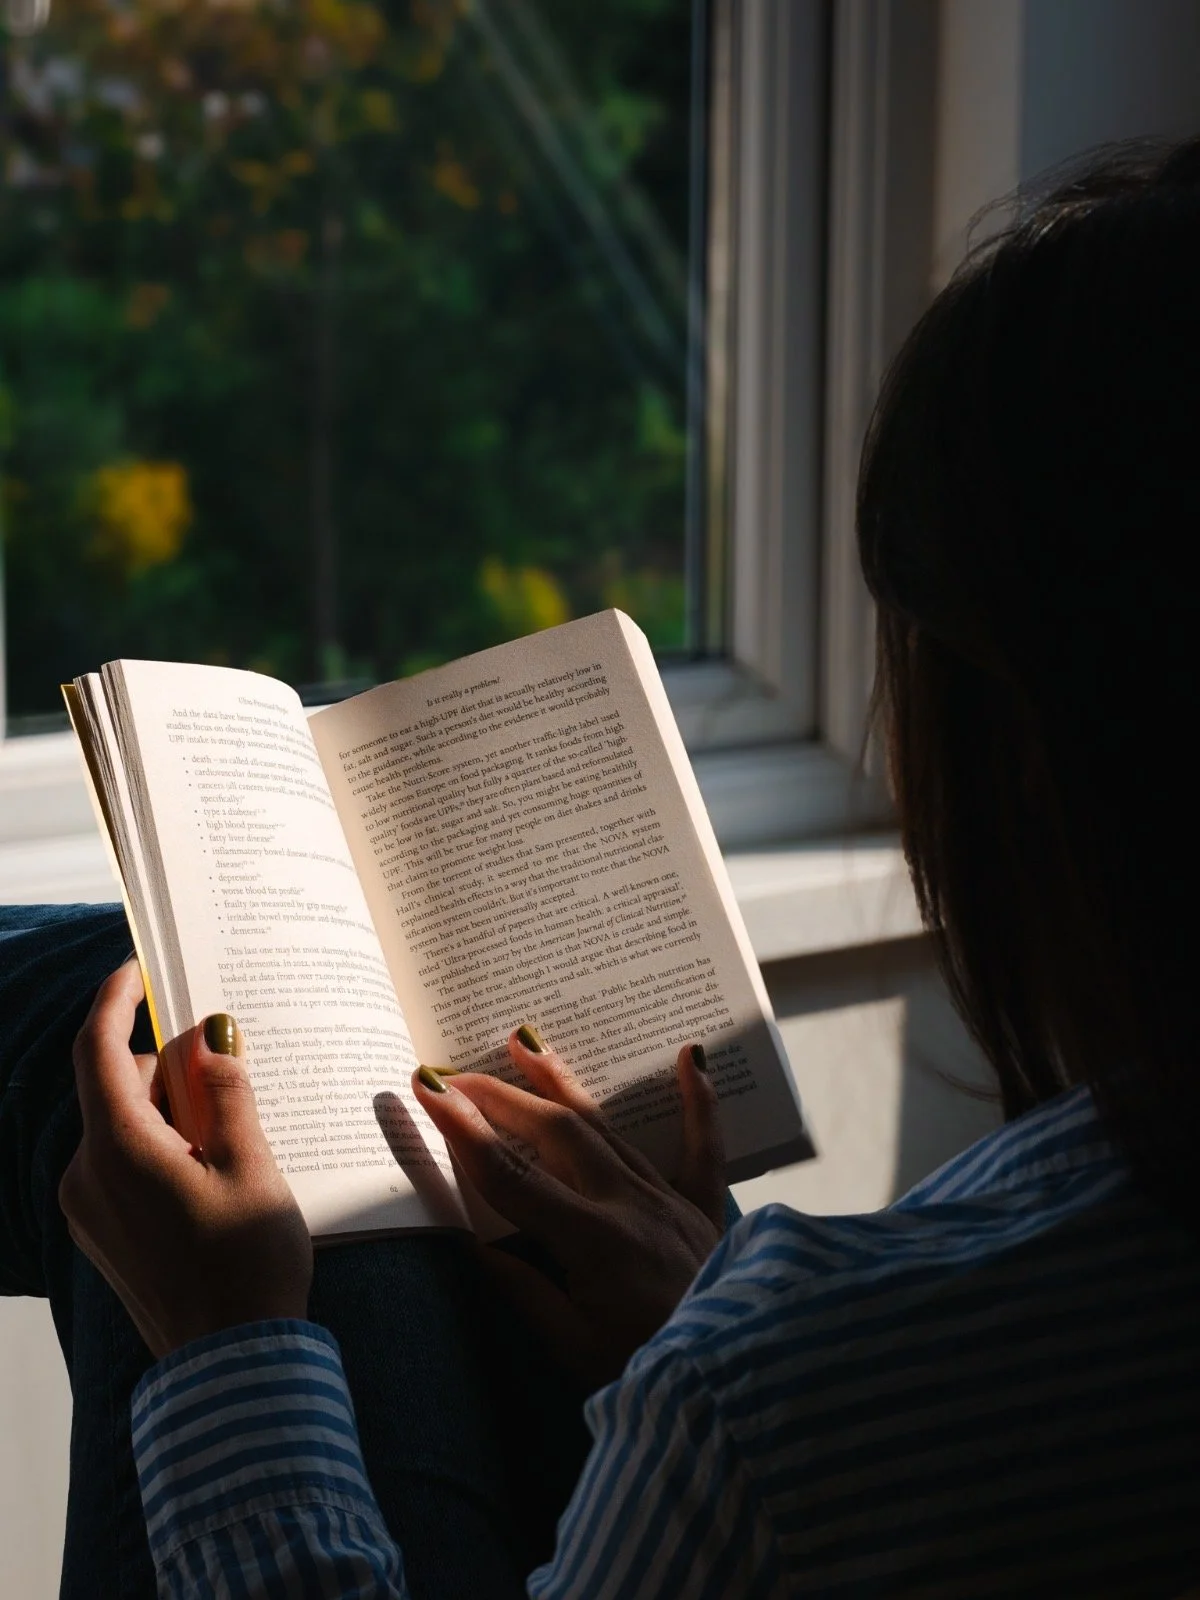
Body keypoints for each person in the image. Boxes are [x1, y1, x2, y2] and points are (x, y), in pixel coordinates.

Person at [7, 131, 1200, 1598]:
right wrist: (702, 1303)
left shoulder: (774, 1411)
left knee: (132, 1031)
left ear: (1036, 761)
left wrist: (226, 1353)